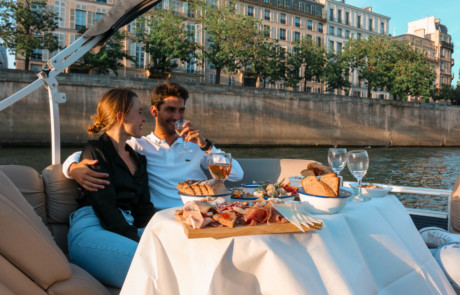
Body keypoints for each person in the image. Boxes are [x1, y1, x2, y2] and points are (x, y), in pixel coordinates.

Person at [63, 82, 243, 210]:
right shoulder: (139, 146)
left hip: (201, 211)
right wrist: (71, 168)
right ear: (154, 111)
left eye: (181, 110)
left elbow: (236, 175)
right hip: (161, 216)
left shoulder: (198, 145)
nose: (177, 117)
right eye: (170, 110)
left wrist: (206, 145)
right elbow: (94, 152)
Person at [67, 88, 155, 288]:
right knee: (150, 262)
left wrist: (162, 234)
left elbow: (144, 208)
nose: (144, 119)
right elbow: (104, 207)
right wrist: (141, 242)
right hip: (92, 226)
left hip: (127, 227)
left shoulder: (138, 159)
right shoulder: (95, 151)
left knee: (175, 252)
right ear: (120, 116)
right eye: (140, 112)